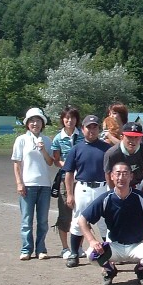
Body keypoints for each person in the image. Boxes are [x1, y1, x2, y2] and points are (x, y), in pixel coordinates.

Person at [77, 162, 143, 285]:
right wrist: (92, 241)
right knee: (91, 255)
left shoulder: (140, 197)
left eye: (125, 174)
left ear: (131, 176)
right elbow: (82, 220)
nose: (121, 178)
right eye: (118, 174)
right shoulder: (106, 198)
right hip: (115, 245)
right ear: (111, 176)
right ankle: (110, 270)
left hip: (137, 245)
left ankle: (141, 270)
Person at [63, 115, 112, 268]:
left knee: (104, 222)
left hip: (102, 188)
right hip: (83, 188)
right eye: (88, 127)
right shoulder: (76, 149)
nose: (91, 130)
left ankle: (108, 253)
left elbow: (112, 171)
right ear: (82, 129)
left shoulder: (106, 148)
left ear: (98, 129)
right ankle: (74, 253)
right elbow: (69, 173)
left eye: (94, 127)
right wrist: (70, 194)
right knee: (78, 220)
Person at [11, 107, 54, 260]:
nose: (35, 123)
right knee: (26, 220)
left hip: (44, 185)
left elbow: (50, 162)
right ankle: (26, 249)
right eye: (32, 121)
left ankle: (41, 249)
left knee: (42, 220)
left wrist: (43, 150)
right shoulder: (21, 140)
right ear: (27, 123)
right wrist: (19, 183)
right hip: (28, 184)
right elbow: (17, 163)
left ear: (42, 123)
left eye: (38, 121)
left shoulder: (47, 140)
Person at [51, 106, 84, 259]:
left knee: (82, 214)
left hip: (82, 179)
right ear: (63, 119)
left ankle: (79, 246)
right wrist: (68, 166)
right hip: (65, 179)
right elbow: (56, 160)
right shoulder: (58, 138)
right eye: (67, 118)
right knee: (65, 214)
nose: (69, 121)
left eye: (73, 118)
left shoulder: (82, 136)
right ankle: (65, 248)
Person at [103, 122, 143, 192]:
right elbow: (108, 174)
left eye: (136, 137)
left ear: (141, 138)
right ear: (122, 137)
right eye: (129, 137)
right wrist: (114, 192)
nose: (133, 141)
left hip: (137, 186)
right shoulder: (112, 153)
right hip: (116, 186)